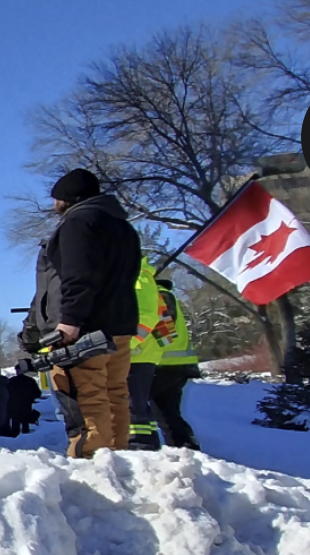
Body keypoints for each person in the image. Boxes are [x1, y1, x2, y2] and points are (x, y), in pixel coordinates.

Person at [31, 168, 142, 458]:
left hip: (86, 328)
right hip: (120, 324)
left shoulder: (79, 223)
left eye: (57, 198)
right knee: (115, 393)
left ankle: (91, 458)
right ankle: (118, 456)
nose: (54, 204)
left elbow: (79, 276)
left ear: (67, 199)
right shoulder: (123, 227)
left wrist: (70, 321)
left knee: (86, 395)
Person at [151, 278, 200, 450]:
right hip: (176, 363)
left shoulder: (158, 294)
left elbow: (164, 332)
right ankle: (185, 448)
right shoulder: (164, 294)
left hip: (163, 363)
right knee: (168, 413)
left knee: (137, 408)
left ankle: (147, 448)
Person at [126, 258, 165, 450]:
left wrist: (125, 344)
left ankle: (139, 447)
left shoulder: (138, 276)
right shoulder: (138, 275)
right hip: (140, 353)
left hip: (136, 354)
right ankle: (149, 445)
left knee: (132, 406)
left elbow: (147, 315)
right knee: (138, 406)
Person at [8, 365, 42, 433]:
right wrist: (30, 397)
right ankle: (25, 439)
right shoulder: (30, 380)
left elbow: (6, 392)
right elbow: (37, 393)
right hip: (26, 406)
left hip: (15, 406)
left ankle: (15, 440)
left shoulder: (12, 381)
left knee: (15, 425)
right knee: (25, 425)